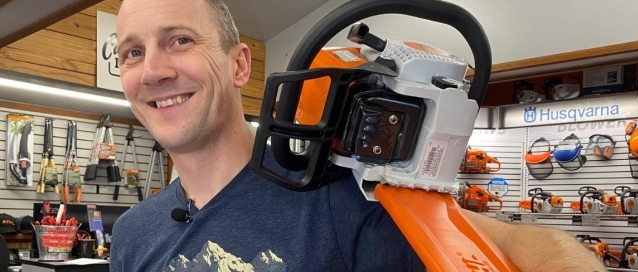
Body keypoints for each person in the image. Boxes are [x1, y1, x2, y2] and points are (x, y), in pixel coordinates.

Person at [110, 0, 607, 271]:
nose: (153, 70)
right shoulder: (134, 233)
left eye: (180, 41)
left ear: (240, 64)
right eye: (133, 52)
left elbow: (522, 246)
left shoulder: (336, 198)